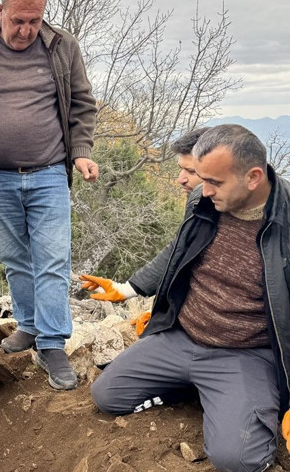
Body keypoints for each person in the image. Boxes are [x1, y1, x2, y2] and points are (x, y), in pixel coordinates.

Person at [83, 124, 290, 472]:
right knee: (107, 396)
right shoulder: (204, 200)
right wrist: (129, 288)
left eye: (215, 182)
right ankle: (197, 389)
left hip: (246, 353)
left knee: (238, 461)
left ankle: (237, 402)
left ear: (253, 176)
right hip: (183, 335)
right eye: (200, 178)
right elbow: (177, 253)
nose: (202, 190)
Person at [0, 0, 98, 390]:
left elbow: (83, 105)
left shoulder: (63, 47)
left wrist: (82, 151)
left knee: (52, 260)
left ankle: (51, 344)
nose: (26, 30)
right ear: (0, 11)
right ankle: (29, 325)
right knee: (16, 259)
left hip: (49, 171)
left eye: (34, 21)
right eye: (18, 20)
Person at [83, 127, 211, 335]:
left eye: (192, 172)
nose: (181, 179)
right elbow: (179, 248)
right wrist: (126, 289)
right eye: (181, 169)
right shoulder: (201, 202)